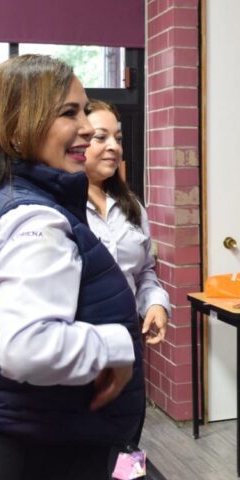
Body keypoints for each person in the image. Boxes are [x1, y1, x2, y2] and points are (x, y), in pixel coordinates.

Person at [0, 55, 144, 480]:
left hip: (25, 447)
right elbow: (29, 348)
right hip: (42, 467)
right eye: (69, 112)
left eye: (84, 110)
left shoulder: (9, 200)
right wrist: (116, 346)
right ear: (16, 129)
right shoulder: (31, 218)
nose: (89, 128)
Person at [84, 99, 171, 346]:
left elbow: (144, 273)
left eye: (118, 139)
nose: (114, 147)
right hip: (78, 349)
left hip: (126, 341)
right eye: (100, 137)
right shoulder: (58, 208)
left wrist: (155, 304)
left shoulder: (130, 206)